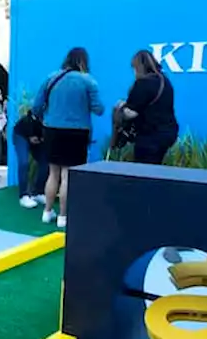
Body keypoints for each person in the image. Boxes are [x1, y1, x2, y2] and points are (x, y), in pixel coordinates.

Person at [32, 47, 103, 228]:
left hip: (52, 131)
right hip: (76, 133)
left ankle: (47, 212)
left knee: (53, 173)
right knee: (67, 175)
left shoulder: (51, 78)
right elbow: (99, 109)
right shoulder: (88, 81)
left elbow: (36, 106)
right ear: (83, 61)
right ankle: (63, 217)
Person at [113, 49, 178, 164]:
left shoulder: (142, 83)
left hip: (149, 136)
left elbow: (131, 113)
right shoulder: (165, 81)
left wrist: (121, 108)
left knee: (143, 170)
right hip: (168, 133)